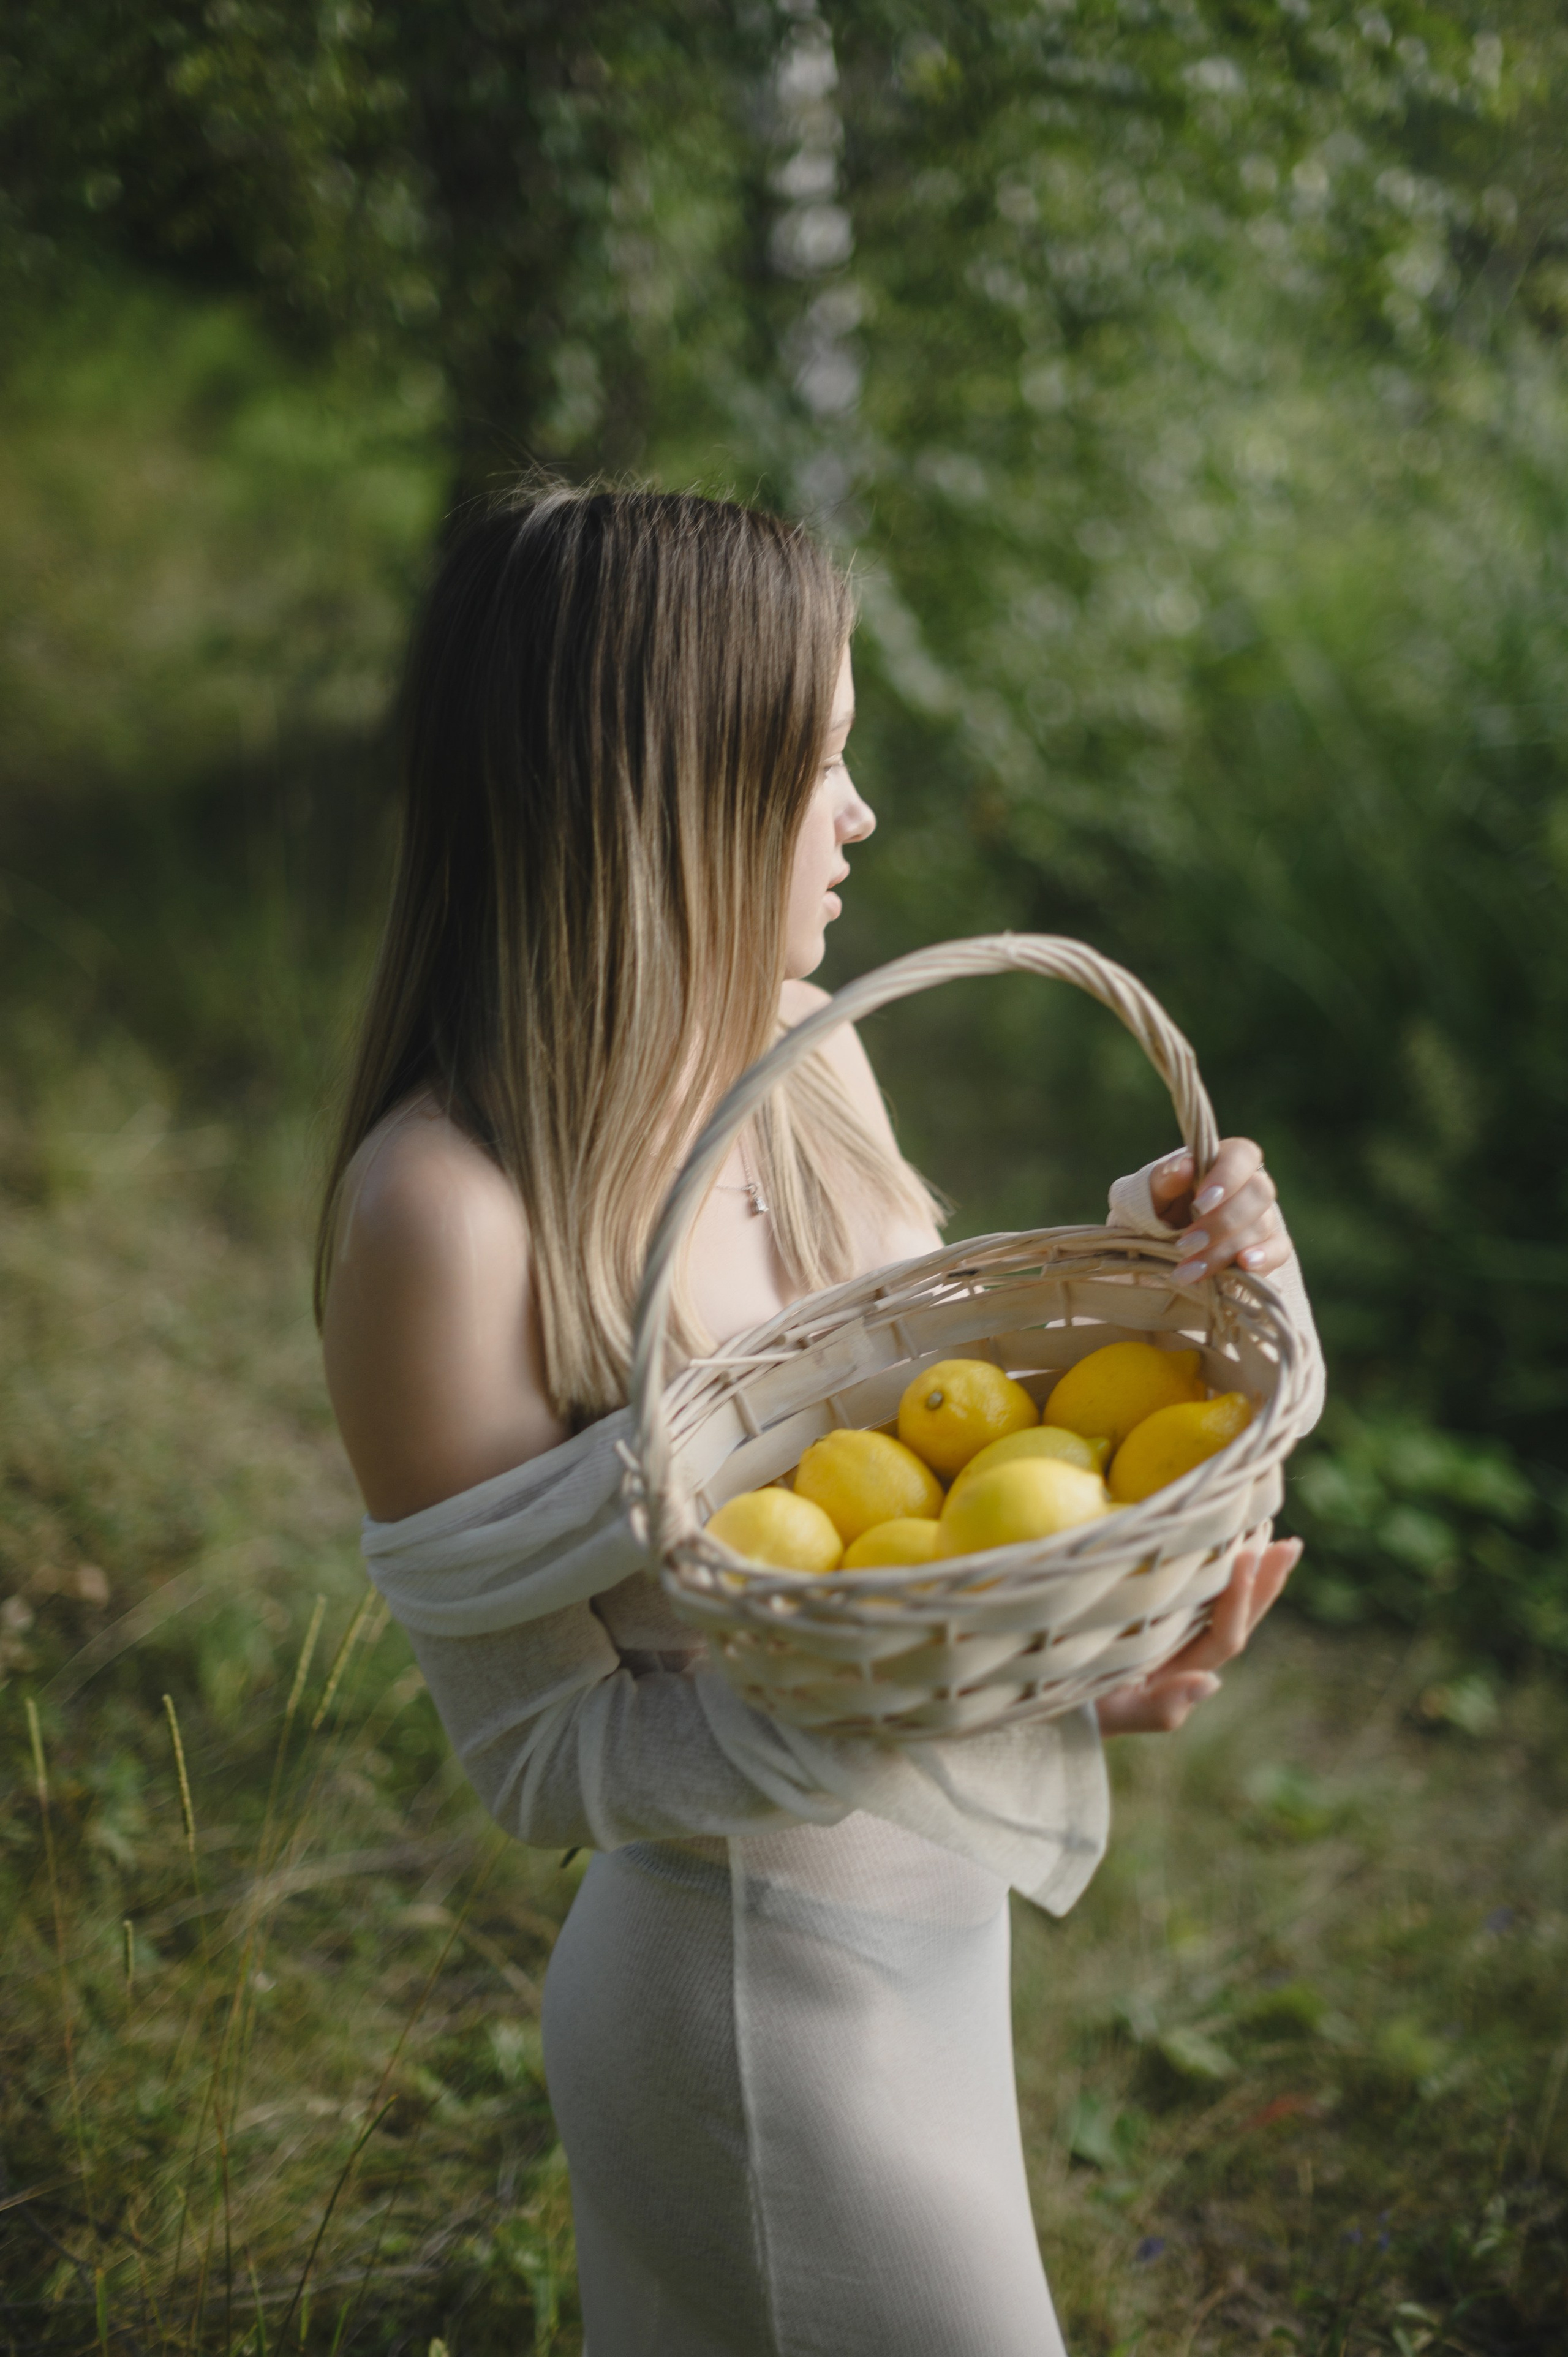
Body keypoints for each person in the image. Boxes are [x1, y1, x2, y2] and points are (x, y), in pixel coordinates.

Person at [317, 484, 1314, 2355]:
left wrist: (1145, 1288)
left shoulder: (810, 1057)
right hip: (755, 2013)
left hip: (934, 1963)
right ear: (668, 793)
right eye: (819, 765)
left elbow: (903, 1470)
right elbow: (539, 1757)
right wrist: (929, 1683)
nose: (859, 818)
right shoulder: (446, 1215)